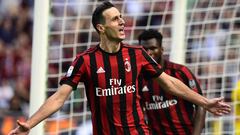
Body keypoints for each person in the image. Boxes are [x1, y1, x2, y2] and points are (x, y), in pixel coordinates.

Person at [8, 1, 230, 135]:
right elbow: (59, 98)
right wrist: (30, 123)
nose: (122, 21)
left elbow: (170, 83)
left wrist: (205, 102)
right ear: (101, 27)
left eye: (121, 17)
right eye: (115, 19)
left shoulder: (137, 54)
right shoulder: (84, 61)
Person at [138, 29, 206, 135]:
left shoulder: (180, 72)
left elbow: (201, 104)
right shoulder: (138, 77)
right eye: (144, 49)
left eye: (153, 48)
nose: (148, 53)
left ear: (162, 49)